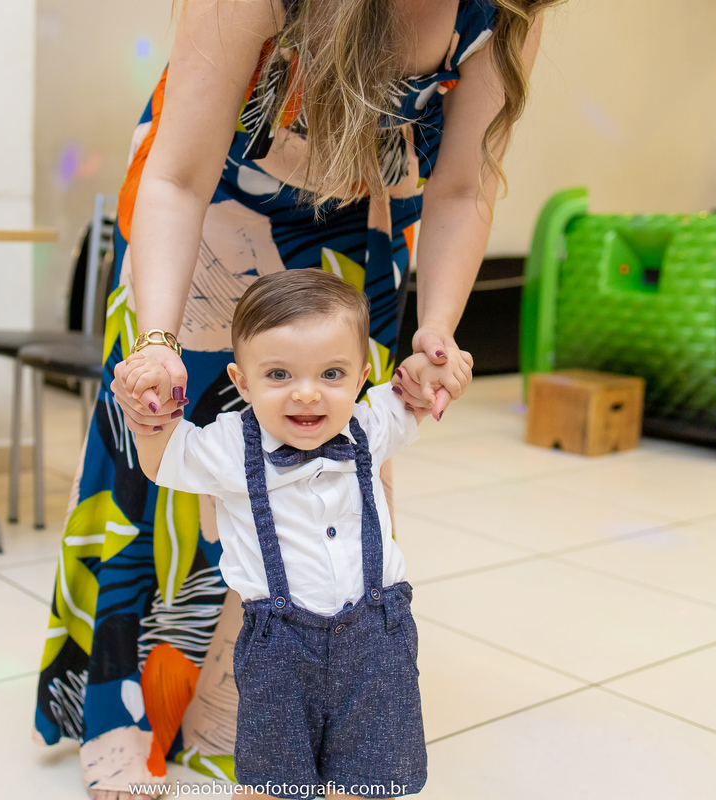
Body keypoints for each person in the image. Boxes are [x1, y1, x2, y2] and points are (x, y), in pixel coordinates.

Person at [33, 0, 556, 797]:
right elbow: (175, 177)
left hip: (361, 226)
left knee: (320, 463)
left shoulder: (504, 10)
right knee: (161, 451)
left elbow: (461, 187)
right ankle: (124, 712)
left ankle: (245, 704)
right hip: (208, 211)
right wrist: (159, 342)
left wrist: (440, 330)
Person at [129, 269, 437, 799]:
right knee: (272, 781)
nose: (307, 394)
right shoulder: (229, 446)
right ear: (242, 381)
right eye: (278, 375)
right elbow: (165, 461)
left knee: (370, 779)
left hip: (377, 644)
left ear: (363, 376)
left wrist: (435, 365)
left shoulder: (371, 424)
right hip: (279, 652)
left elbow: (421, 391)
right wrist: (148, 416)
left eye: (332, 374)